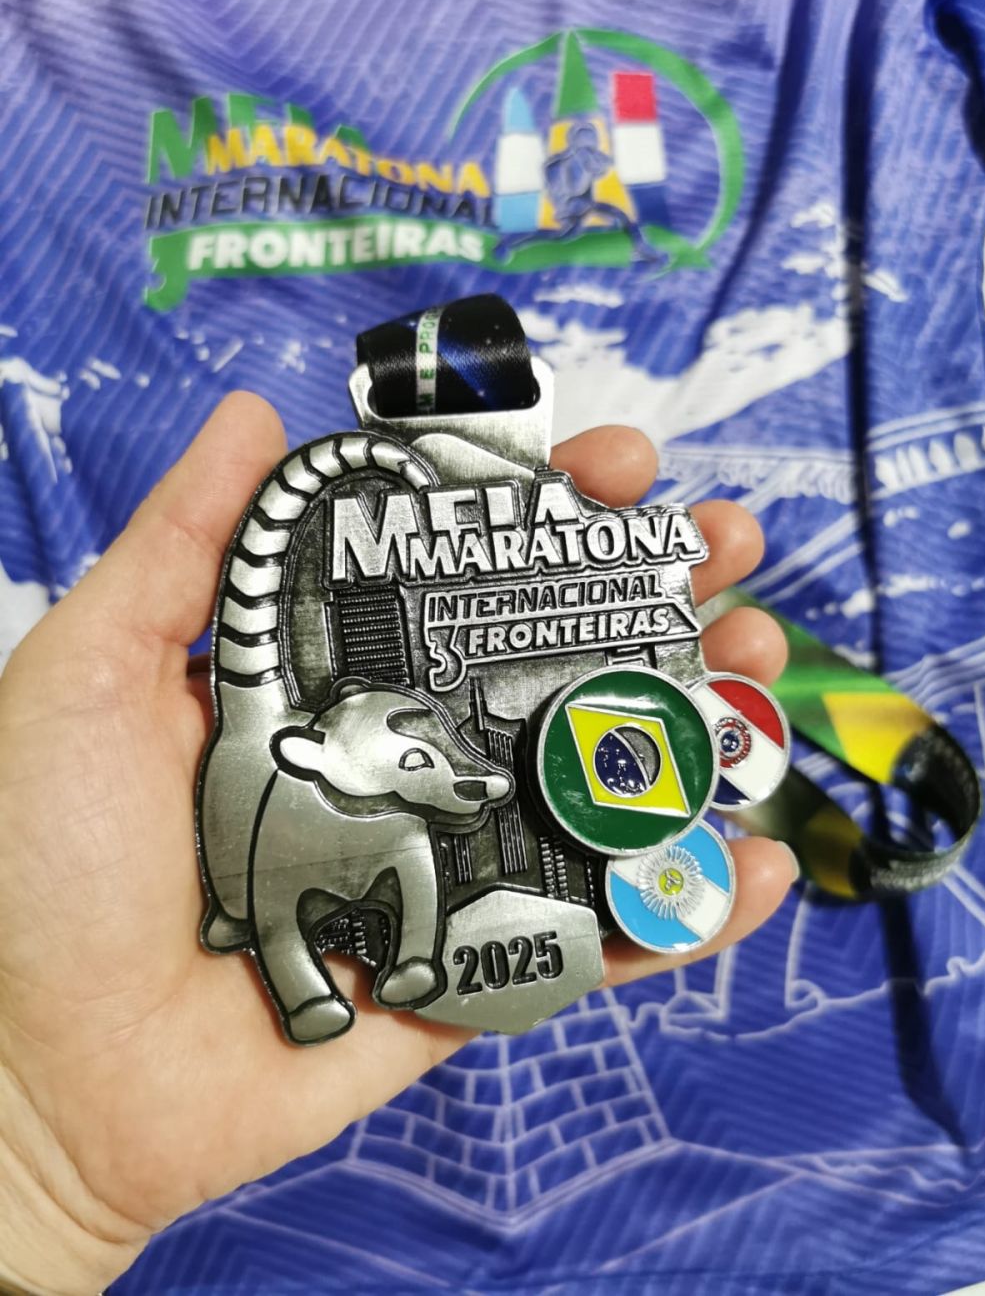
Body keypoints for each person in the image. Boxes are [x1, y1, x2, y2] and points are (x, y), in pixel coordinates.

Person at [0, 392, 794, 1296]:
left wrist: (36, 1178)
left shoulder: (424, 796)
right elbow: (282, 907)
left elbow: (426, 848)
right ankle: (249, 927)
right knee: (257, 895)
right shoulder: (283, 762)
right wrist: (30, 1146)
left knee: (411, 864)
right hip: (270, 821)